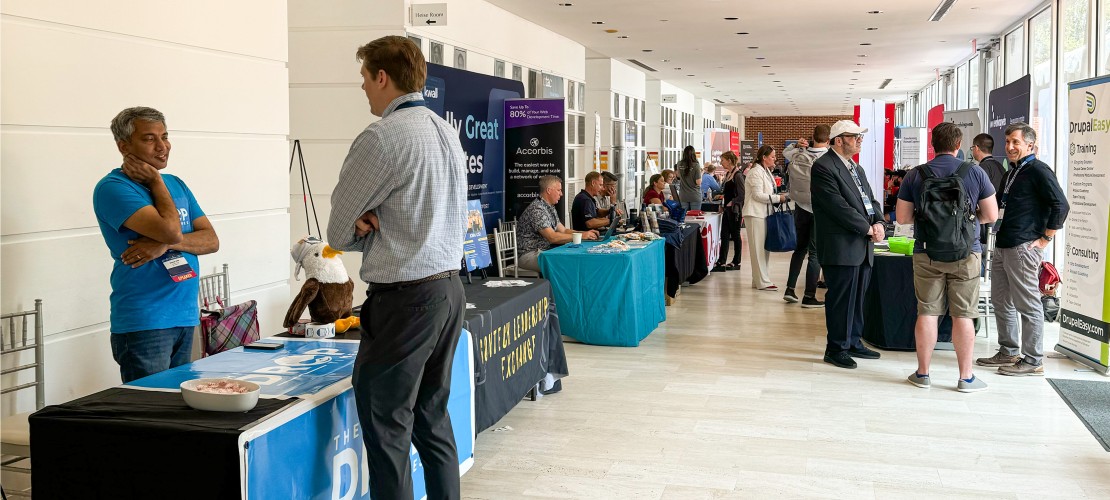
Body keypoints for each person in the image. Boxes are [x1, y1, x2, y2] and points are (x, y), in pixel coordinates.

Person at [326, 36, 467, 500]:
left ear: (382, 77)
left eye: (365, 78)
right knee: (431, 418)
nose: (363, 88)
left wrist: (363, 225)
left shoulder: (381, 138)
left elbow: (338, 231)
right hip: (449, 291)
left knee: (387, 429)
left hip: (406, 300)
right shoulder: (446, 130)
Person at [94, 106, 220, 383]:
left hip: (184, 316)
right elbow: (171, 231)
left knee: (176, 410)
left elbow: (211, 240)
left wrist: (163, 245)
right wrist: (154, 181)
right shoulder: (114, 188)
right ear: (124, 146)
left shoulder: (177, 184)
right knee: (151, 412)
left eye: (165, 136)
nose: (162, 146)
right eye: (149, 138)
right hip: (145, 321)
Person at [896, 122, 998, 392]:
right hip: (966, 253)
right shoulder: (974, 173)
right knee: (963, 315)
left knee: (927, 312)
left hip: (927, 252)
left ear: (933, 145)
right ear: (958, 145)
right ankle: (966, 378)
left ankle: (923, 374)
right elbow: (991, 215)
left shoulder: (916, 175)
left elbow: (904, 218)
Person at [975, 123, 1070, 377]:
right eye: (1007, 142)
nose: (1010, 147)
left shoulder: (1039, 170)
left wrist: (1045, 239)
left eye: (1016, 142)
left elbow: (1061, 205)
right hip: (1004, 242)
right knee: (1001, 301)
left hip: (1023, 246)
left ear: (1030, 145)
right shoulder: (1012, 172)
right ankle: (1008, 351)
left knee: (1027, 304)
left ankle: (1033, 359)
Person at [811, 119, 885, 369]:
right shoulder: (823, 167)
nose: (859, 140)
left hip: (862, 245)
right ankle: (836, 348)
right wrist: (867, 228)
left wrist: (880, 223)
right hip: (841, 246)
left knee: (857, 298)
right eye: (854, 137)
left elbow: (870, 201)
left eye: (860, 136)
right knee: (841, 299)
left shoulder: (856, 168)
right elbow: (837, 207)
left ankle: (853, 341)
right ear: (838, 140)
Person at [782, 125, 829, 308]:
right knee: (815, 253)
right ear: (828, 139)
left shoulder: (798, 153)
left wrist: (796, 144)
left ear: (812, 137)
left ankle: (790, 289)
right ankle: (809, 296)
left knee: (799, 249)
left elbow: (786, 152)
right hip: (818, 209)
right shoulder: (827, 157)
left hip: (800, 207)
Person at [519, 176, 600, 271]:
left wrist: (585, 233)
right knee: (566, 264)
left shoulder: (549, 207)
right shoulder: (537, 209)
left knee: (574, 257)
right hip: (529, 255)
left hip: (545, 251)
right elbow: (552, 237)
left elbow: (564, 230)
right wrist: (581, 236)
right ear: (549, 190)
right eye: (558, 190)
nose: (561, 194)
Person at [743, 145, 787, 290]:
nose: (775, 159)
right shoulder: (755, 172)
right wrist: (777, 198)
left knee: (764, 249)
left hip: (764, 214)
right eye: (773, 156)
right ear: (764, 158)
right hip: (755, 213)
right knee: (758, 250)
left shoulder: (766, 171)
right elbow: (757, 195)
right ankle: (763, 281)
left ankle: (759, 280)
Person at [971, 133, 1007, 251]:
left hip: (987, 220)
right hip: (1000, 218)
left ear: (976, 148)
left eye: (972, 148)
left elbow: (977, 195)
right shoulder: (1000, 167)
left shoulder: (981, 169)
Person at [714, 151, 743, 270]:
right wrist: (723, 201)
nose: (721, 163)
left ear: (729, 160)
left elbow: (742, 194)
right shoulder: (728, 174)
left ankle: (736, 261)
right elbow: (727, 193)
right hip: (727, 209)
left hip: (734, 210)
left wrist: (732, 202)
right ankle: (721, 261)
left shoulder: (738, 176)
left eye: (723, 160)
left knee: (735, 235)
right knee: (724, 235)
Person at [675, 145, 703, 210]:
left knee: (684, 217)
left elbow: (678, 176)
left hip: (683, 195)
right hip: (694, 195)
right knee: (694, 217)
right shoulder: (696, 165)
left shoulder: (679, 164)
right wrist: (702, 173)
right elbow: (698, 182)